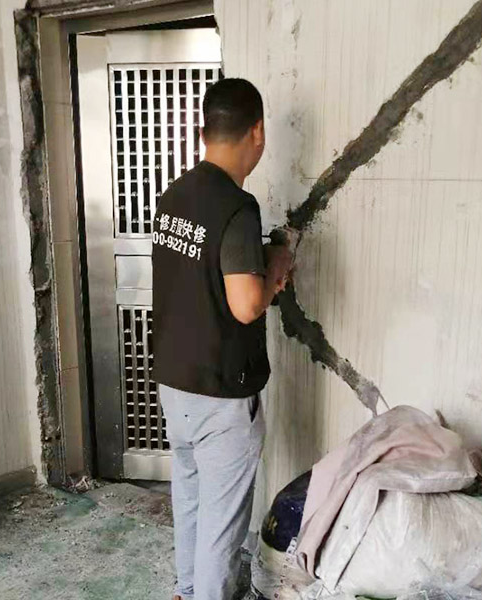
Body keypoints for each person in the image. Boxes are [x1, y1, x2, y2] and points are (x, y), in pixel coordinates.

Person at [152, 78, 293, 600]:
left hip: (175, 384)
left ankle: (186, 592)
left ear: (203, 131)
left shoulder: (173, 196)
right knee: (221, 527)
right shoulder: (237, 207)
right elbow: (246, 305)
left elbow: (196, 279)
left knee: (190, 499)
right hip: (220, 394)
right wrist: (275, 269)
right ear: (257, 132)